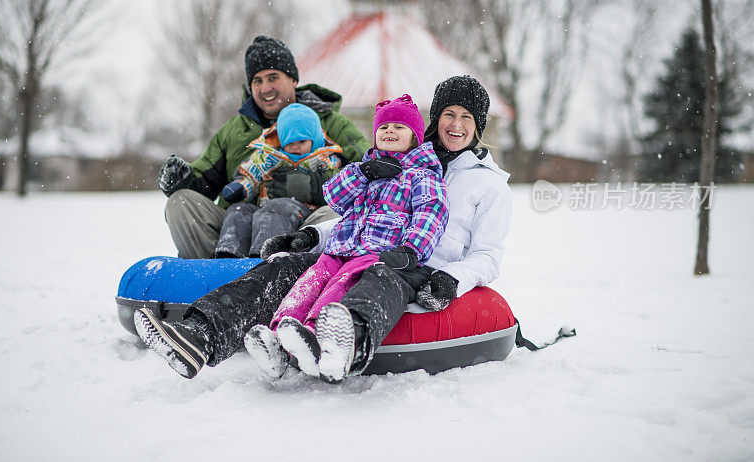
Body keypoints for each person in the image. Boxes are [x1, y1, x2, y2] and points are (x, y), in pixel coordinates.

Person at [133, 75, 510, 384]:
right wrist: (312, 237)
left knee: (377, 279)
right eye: (449, 114)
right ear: (434, 119)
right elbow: (362, 219)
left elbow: (488, 256)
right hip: (358, 251)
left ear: (478, 125)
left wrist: (451, 279)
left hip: (412, 270)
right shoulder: (400, 161)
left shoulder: (488, 185)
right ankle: (200, 334)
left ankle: (344, 342)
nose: (456, 125)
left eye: (466, 117)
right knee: (283, 267)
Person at [242, 95, 448, 379]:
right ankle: (280, 337)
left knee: (339, 287)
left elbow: (430, 214)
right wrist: (364, 173)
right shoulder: (366, 169)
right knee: (309, 282)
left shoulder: (421, 175)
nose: (389, 132)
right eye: (383, 127)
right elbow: (334, 196)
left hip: (374, 253)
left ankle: (314, 336)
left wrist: (411, 250)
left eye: (399, 128)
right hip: (340, 248)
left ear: (414, 137)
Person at [157, 35, 369, 259]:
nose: (265, 88)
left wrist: (314, 187)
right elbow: (205, 181)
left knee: (333, 216)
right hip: (238, 226)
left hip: (303, 227)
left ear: (293, 79)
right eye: (257, 81)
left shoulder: (328, 122)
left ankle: (306, 277)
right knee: (180, 202)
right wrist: (183, 179)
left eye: (272, 77)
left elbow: (365, 174)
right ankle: (216, 273)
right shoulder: (235, 130)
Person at [214, 103, 344, 258]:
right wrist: (241, 187)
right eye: (289, 142)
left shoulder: (323, 160)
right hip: (264, 208)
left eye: (301, 142)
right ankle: (228, 256)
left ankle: (263, 258)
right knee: (239, 210)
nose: (295, 147)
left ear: (314, 140)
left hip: (305, 212)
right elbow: (253, 173)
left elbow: (336, 182)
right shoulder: (269, 157)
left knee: (279, 207)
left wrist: (310, 185)